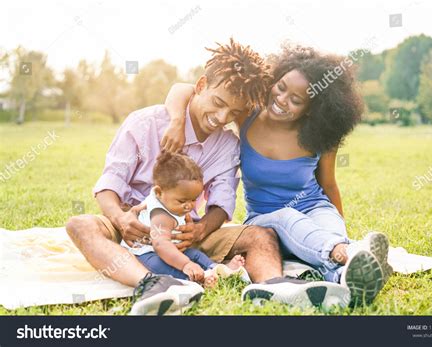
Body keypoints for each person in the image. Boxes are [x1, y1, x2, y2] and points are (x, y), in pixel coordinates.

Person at [66, 39, 348, 315]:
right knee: (81, 226)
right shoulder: (145, 124)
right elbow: (110, 182)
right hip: (131, 226)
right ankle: (151, 284)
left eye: (233, 112)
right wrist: (119, 218)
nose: (222, 117)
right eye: (217, 103)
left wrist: (200, 230)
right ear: (200, 86)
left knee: (263, 234)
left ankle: (273, 287)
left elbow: (222, 203)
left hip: (183, 232)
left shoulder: (226, 144)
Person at [163, 43, 393, 307]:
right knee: (290, 219)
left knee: (327, 235)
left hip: (315, 208)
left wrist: (337, 225)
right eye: (280, 87)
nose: (282, 100)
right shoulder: (248, 115)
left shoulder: (321, 134)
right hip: (266, 220)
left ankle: (349, 280)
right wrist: (177, 121)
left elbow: (328, 184)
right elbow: (183, 89)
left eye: (296, 100)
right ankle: (349, 251)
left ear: (311, 108)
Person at [123, 152, 246, 289]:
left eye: (194, 199)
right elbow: (161, 245)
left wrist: (186, 260)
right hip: (146, 253)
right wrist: (186, 264)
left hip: (172, 248)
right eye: (182, 201)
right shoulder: (161, 217)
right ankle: (194, 279)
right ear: (159, 192)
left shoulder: (164, 197)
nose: (189, 206)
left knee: (194, 254)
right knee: (160, 265)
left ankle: (217, 269)